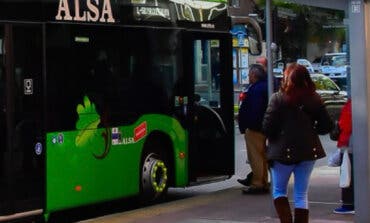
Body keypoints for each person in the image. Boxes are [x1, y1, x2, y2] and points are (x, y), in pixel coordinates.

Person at [262, 63, 333, 223]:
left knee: (279, 191)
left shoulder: (278, 99)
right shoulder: (314, 98)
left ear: (287, 79)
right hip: (308, 152)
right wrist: (311, 128)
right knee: (301, 194)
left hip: (282, 153)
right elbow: (326, 126)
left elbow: (267, 127)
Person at [237, 63, 269, 194]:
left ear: (254, 75)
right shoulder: (264, 87)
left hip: (255, 128)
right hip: (261, 127)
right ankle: (263, 182)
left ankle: (257, 184)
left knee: (255, 157)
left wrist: (249, 125)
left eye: (250, 74)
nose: (248, 76)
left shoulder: (256, 89)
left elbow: (255, 110)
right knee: (262, 157)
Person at [333, 99, 354, 214]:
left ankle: (348, 204)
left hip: (349, 143)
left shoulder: (352, 104)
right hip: (356, 144)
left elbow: (345, 124)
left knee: (348, 173)